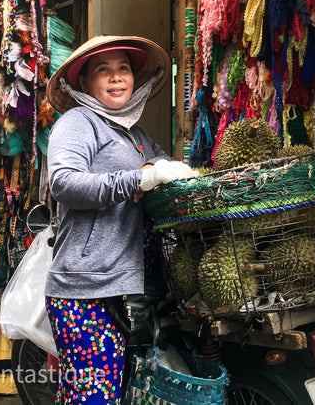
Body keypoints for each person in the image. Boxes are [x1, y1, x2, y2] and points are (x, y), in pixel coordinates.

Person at [44, 35, 196, 404]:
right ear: (83, 82)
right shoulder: (79, 122)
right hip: (87, 290)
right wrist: (138, 179)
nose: (116, 78)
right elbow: (64, 183)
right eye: (103, 70)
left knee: (104, 395)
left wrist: (162, 170)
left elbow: (162, 166)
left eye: (123, 69)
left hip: (126, 287)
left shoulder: (135, 135)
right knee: (93, 398)